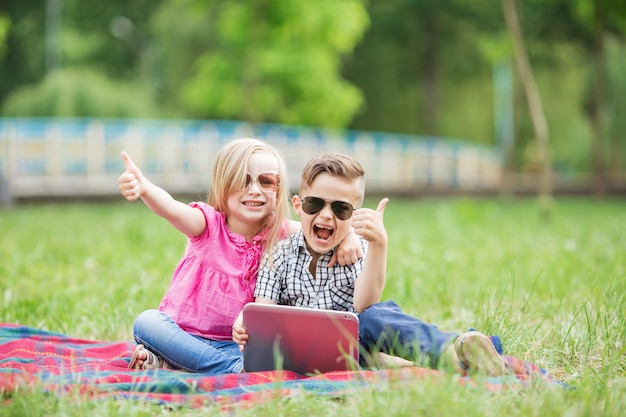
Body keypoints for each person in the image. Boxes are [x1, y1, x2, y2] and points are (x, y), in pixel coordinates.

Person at [233, 152, 506, 376]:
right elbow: (263, 315)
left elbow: (366, 306)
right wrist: (246, 326)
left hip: (355, 347)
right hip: (296, 353)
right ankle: (457, 359)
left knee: (377, 317)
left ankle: (450, 353)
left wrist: (379, 245)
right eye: (315, 204)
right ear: (298, 205)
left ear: (354, 215)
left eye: (340, 209)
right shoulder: (276, 255)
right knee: (383, 361)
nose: (326, 216)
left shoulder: (359, 249)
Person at [118, 139, 362, 374]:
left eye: (266, 181)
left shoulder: (282, 232)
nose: (254, 190)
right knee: (147, 322)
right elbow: (171, 208)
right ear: (224, 186)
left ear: (278, 191)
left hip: (238, 345)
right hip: (183, 335)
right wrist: (145, 188)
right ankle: (225, 369)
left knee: (265, 353)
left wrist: (349, 234)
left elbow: (324, 228)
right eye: (242, 180)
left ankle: (171, 363)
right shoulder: (206, 224)